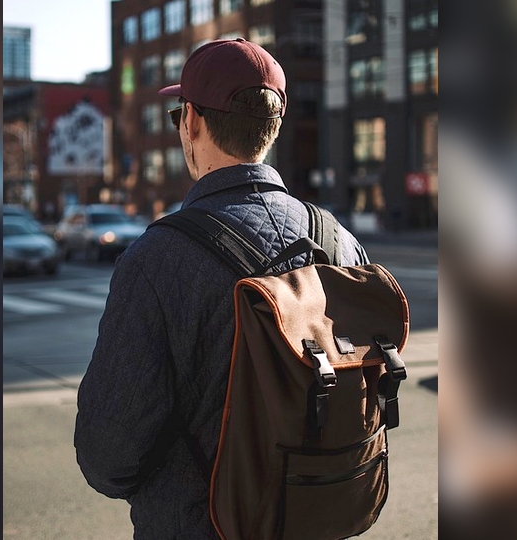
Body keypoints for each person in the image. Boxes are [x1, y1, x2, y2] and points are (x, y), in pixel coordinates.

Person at [74, 38, 370, 539]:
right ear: (274, 127)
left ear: (191, 121)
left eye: (178, 116)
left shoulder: (157, 259)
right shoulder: (338, 240)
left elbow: (108, 453)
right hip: (323, 519)